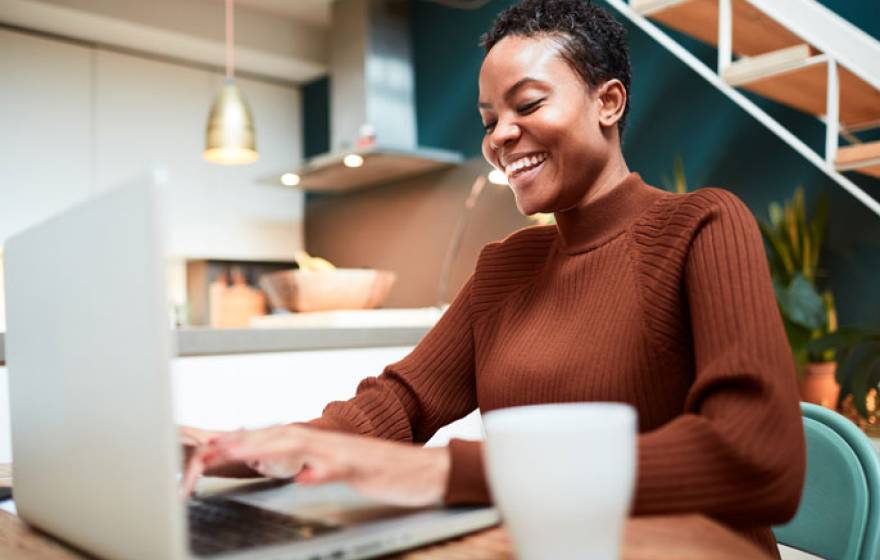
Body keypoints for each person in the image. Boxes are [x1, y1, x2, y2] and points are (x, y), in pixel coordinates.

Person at [183, 0, 805, 554]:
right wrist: (246, 446)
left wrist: (444, 472)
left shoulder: (702, 225)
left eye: (528, 104)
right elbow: (398, 404)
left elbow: (756, 459)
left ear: (607, 102)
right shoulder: (504, 267)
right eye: (488, 119)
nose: (501, 137)